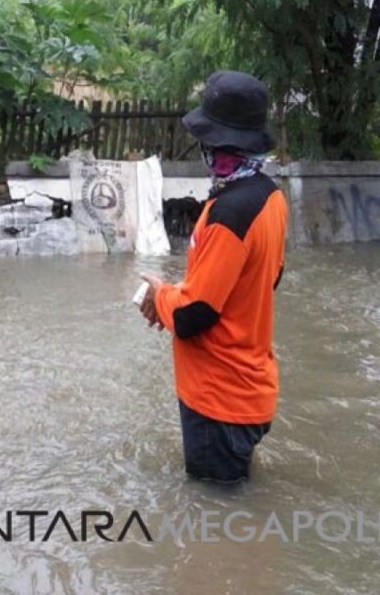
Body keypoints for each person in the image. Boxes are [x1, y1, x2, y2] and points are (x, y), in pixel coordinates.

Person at [138, 70, 287, 483]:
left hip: (218, 402)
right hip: (250, 391)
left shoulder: (227, 213)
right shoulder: (270, 196)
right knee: (237, 516)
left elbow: (194, 316)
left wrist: (161, 294)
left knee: (214, 531)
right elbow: (263, 281)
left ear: (216, 145)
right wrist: (177, 297)